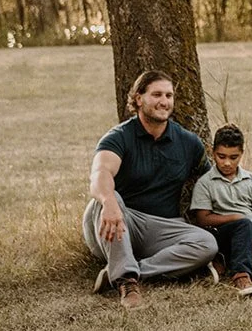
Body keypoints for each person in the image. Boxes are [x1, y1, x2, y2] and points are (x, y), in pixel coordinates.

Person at [82, 70, 218, 310]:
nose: (164, 101)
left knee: (207, 243)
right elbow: (99, 174)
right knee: (109, 198)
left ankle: (134, 271)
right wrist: (109, 202)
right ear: (138, 99)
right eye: (156, 94)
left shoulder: (188, 142)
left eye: (169, 95)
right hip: (118, 222)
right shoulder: (119, 137)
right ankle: (126, 282)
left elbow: (212, 183)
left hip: (161, 227)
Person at [190, 124, 252, 296]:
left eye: (233, 157)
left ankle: (226, 259)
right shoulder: (206, 182)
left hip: (249, 233)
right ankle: (241, 276)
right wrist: (233, 218)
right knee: (243, 223)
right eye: (221, 157)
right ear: (213, 152)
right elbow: (202, 219)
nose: (227, 163)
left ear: (241, 154)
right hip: (221, 233)